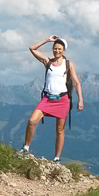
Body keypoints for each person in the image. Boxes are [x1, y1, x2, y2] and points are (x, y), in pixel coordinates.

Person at [19, 35, 83, 163]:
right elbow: (32, 48)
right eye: (55, 48)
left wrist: (80, 100)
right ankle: (26, 148)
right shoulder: (48, 62)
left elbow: (76, 82)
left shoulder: (68, 65)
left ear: (64, 50)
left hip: (62, 100)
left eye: (59, 49)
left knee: (60, 130)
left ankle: (57, 158)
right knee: (32, 121)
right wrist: (47, 40)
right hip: (47, 99)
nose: (57, 51)